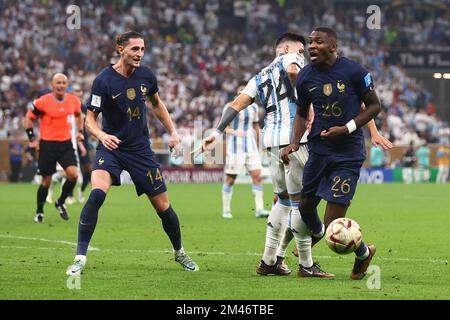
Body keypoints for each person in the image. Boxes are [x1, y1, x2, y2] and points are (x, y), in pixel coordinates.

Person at [195, 32, 331, 277]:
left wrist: (216, 131)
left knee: (283, 200)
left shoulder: (259, 75)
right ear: (287, 48)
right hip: (295, 140)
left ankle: (269, 260)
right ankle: (307, 265)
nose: (303, 54)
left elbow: (236, 104)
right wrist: (308, 96)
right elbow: (292, 71)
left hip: (270, 142)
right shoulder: (292, 58)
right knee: (302, 202)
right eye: (301, 50)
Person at [66, 31, 198, 275]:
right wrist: (102, 136)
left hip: (140, 150)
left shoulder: (147, 76)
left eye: (142, 49)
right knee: (96, 195)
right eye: (135, 49)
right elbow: (90, 120)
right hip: (112, 147)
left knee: (163, 207)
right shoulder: (103, 81)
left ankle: (179, 252)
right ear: (120, 49)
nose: (139, 54)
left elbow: (157, 104)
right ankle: (79, 258)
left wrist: (174, 133)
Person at [281, 27, 382, 280]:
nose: (312, 46)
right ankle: (318, 235)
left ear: (333, 47)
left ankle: (362, 253)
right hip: (319, 149)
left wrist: (346, 128)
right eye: (310, 42)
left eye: (318, 42)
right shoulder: (305, 77)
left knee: (333, 227)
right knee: (305, 206)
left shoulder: (354, 71)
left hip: (347, 153)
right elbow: (302, 113)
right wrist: (294, 142)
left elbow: (374, 106)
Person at [24, 73, 84, 223]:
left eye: (64, 83)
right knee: (46, 181)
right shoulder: (42, 102)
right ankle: (39, 211)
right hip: (47, 145)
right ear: (52, 85)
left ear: (67, 85)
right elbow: (29, 118)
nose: (61, 85)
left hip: (65, 144)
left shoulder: (73, 101)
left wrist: (80, 132)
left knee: (74, 175)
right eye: (58, 82)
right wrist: (32, 138)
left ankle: (61, 202)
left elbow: (79, 115)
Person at [222, 84, 270, 219]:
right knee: (231, 179)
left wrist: (261, 144)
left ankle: (259, 209)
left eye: (245, 89)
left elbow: (256, 127)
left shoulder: (254, 108)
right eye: (240, 89)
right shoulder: (229, 106)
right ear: (237, 91)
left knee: (257, 176)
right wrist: (236, 133)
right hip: (235, 148)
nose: (243, 91)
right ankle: (226, 210)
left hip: (251, 148)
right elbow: (224, 128)